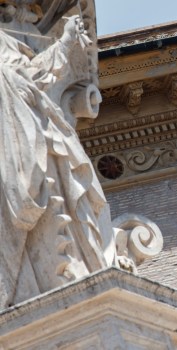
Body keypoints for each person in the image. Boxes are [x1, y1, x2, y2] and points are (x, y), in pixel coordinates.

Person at [0, 4, 115, 308]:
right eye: (24, 9)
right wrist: (64, 41)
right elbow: (30, 76)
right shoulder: (3, 44)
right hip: (26, 146)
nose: (33, 16)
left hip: (41, 138)